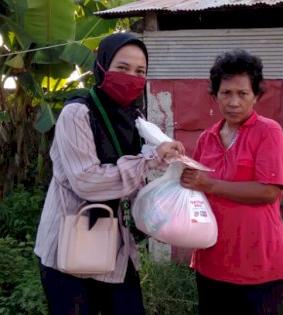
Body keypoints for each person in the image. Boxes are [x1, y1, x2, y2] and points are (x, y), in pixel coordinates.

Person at [34, 33, 184, 315]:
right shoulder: (77, 113)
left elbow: (134, 183)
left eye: (140, 71)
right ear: (102, 67)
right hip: (71, 249)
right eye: (122, 68)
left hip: (116, 249)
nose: (132, 77)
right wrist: (150, 159)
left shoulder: (135, 118)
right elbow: (87, 181)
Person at [180, 49, 283, 315]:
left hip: (260, 268)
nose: (234, 102)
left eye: (242, 93)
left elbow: (268, 191)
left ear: (256, 96)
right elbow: (196, 193)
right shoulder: (206, 139)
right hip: (211, 264)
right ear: (214, 95)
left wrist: (209, 185)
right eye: (226, 93)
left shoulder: (268, 132)